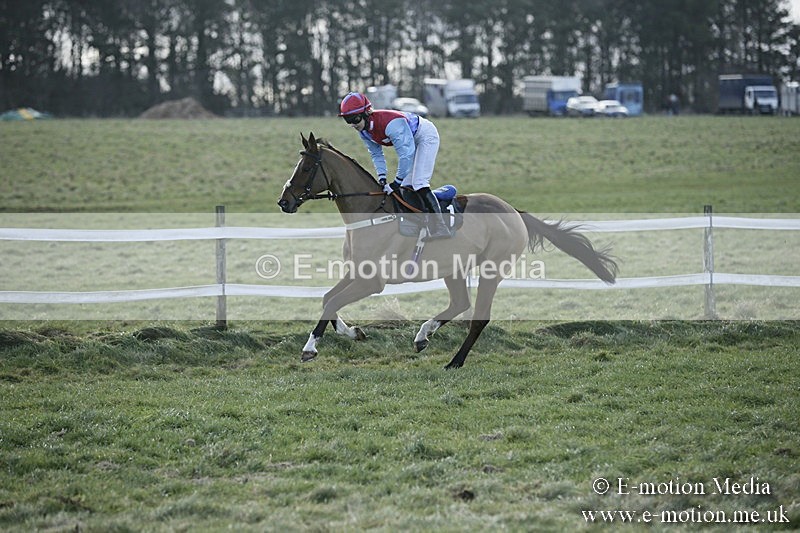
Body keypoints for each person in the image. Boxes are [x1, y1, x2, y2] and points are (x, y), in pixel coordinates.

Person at [338, 91, 451, 240]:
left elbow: (406, 155)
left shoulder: (391, 124)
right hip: (410, 140)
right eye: (348, 120)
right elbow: (376, 154)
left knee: (419, 183)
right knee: (407, 185)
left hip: (425, 136)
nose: (353, 124)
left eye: (355, 118)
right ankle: (420, 223)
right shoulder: (364, 131)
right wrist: (382, 177)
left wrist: (396, 182)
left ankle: (441, 227)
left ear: (366, 113)